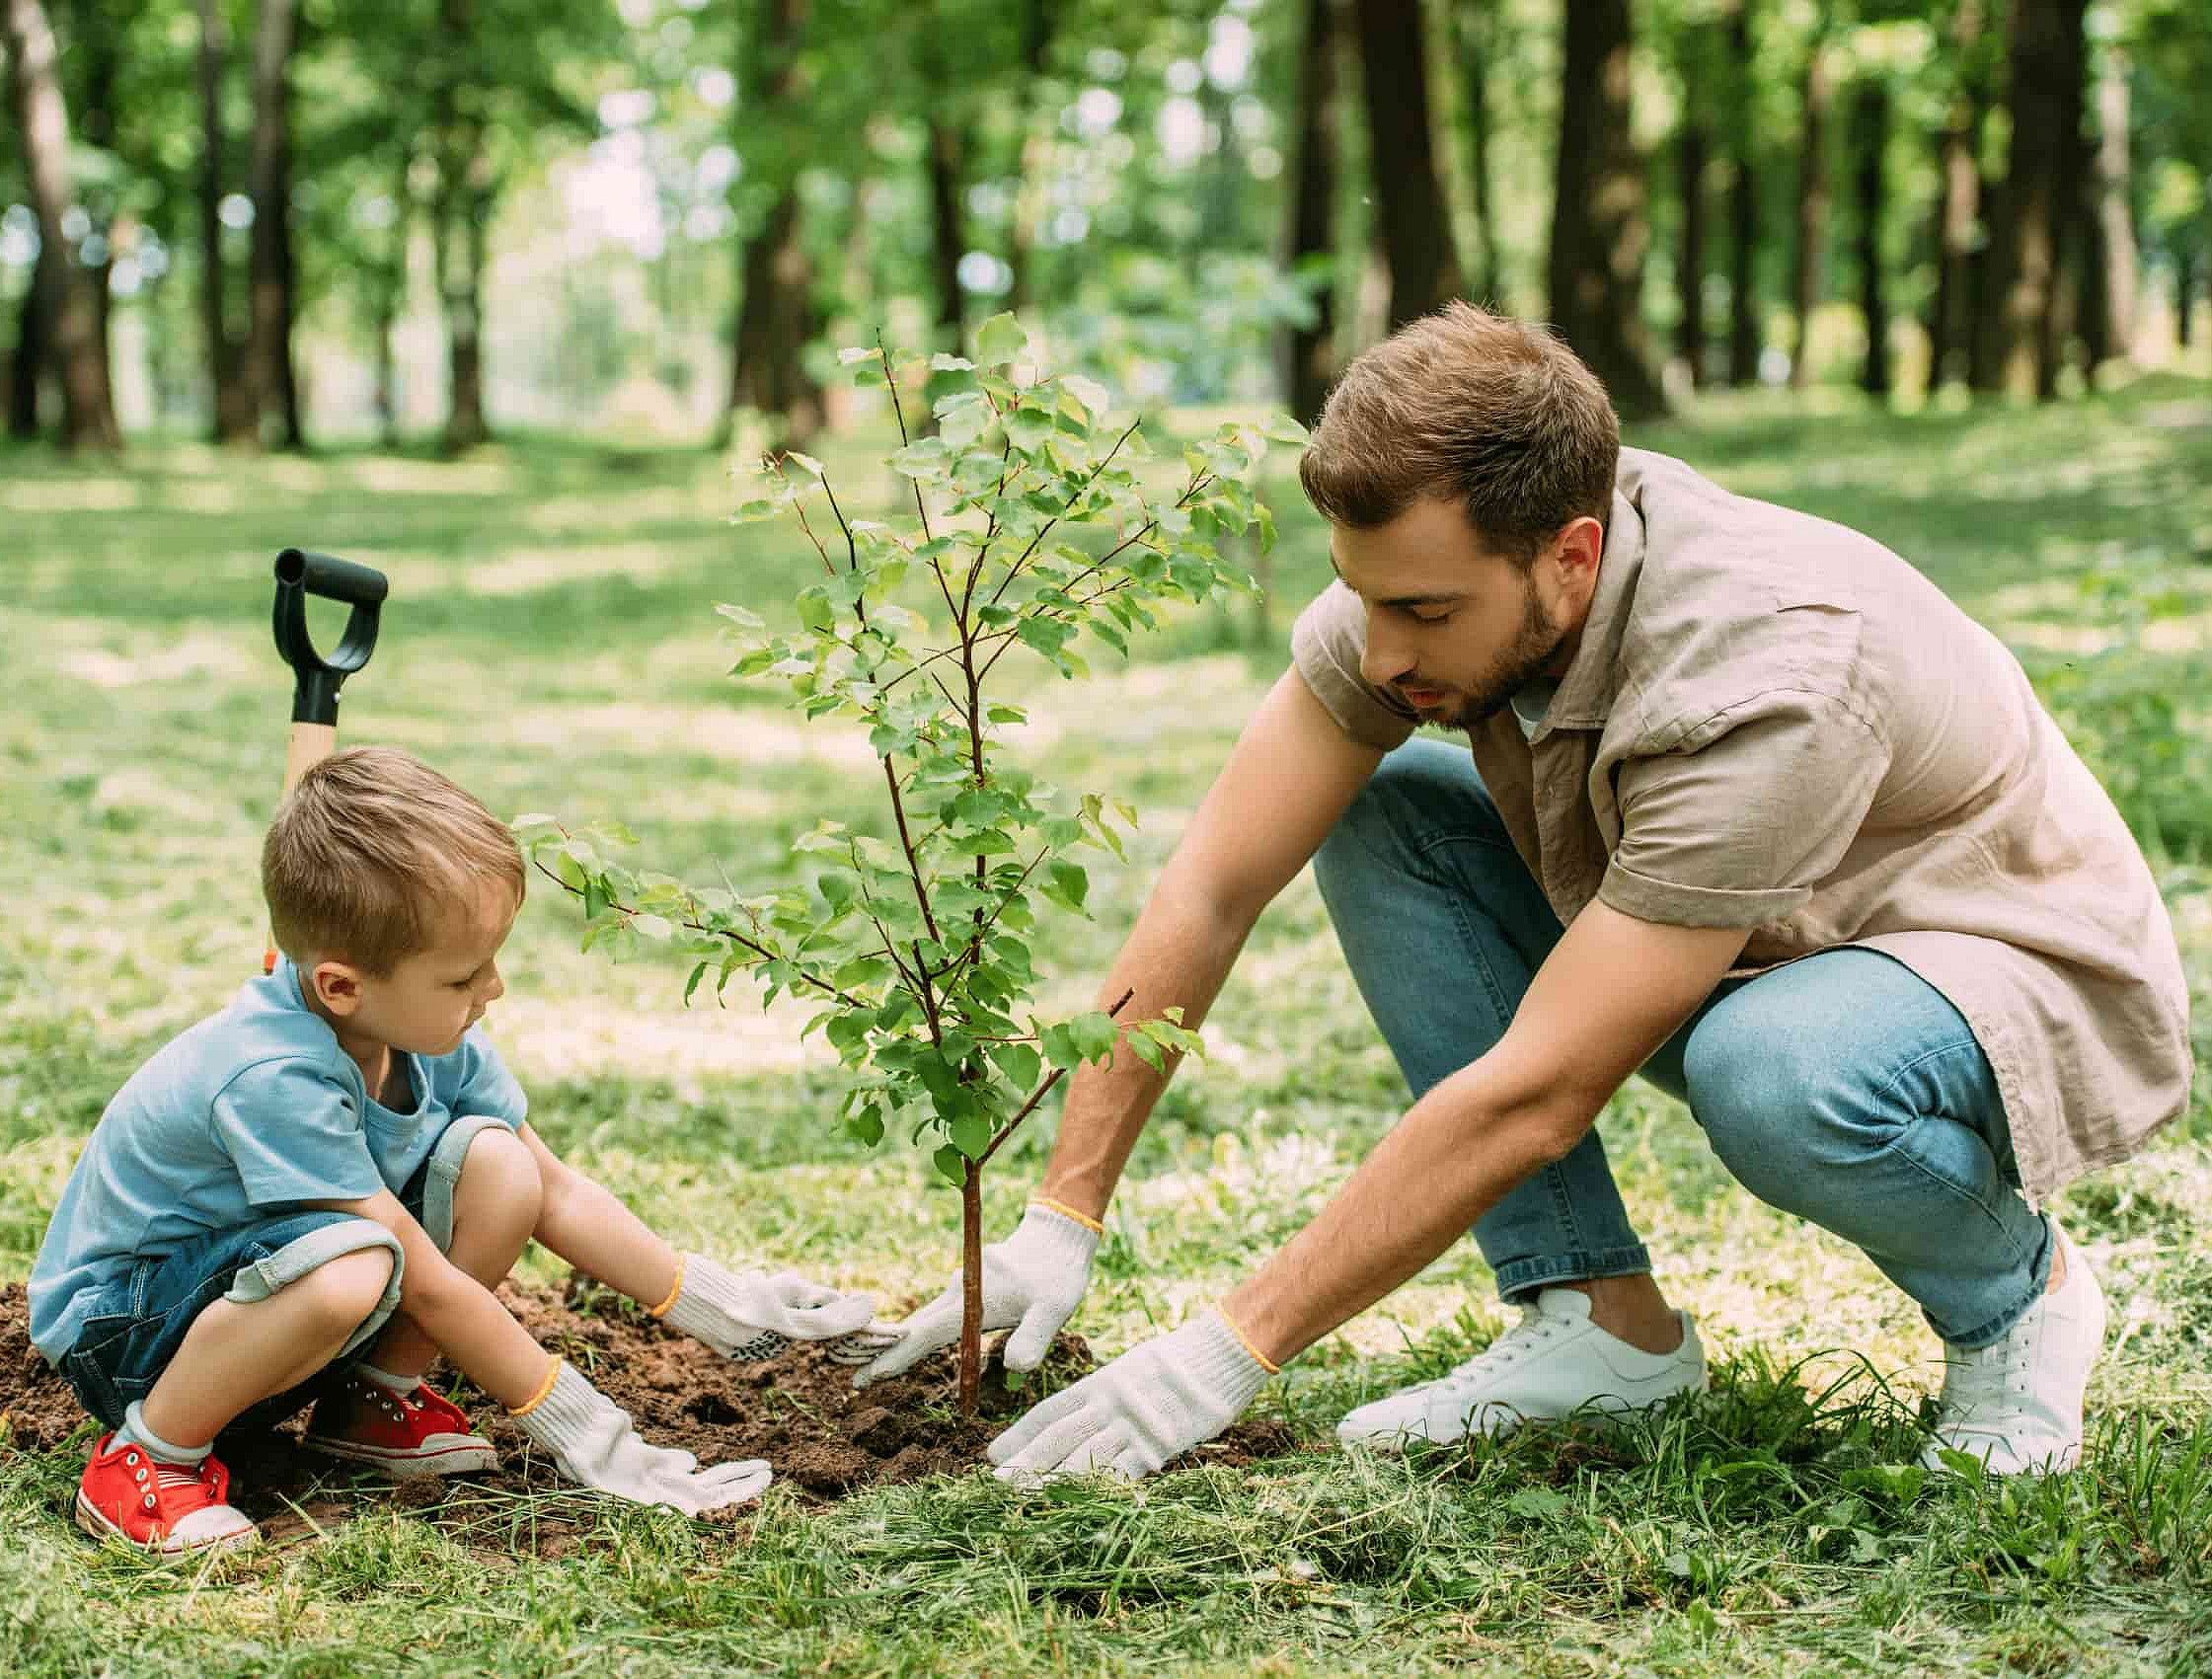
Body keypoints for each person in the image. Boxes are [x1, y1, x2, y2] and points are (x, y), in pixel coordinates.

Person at [855, 303, 2192, 1487]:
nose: (1382, 653)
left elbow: (1542, 1087)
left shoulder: (1764, 674)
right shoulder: (1417, 591)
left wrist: (1225, 1348)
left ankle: (2016, 1302)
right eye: (1358, 598)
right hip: (1748, 928)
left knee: (1768, 1069)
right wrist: (1059, 1213)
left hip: (1985, 963)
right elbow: (1211, 882)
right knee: (1386, 819)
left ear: (1568, 554)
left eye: (1425, 615)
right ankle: (1599, 1328)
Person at [29, 746, 875, 1556]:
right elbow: (424, 1283)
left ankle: (369, 1404)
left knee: (500, 1166)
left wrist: (717, 1305)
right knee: (361, 1259)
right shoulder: (273, 1074)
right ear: (341, 986)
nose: (492, 989)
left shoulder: (419, 1030)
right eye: (464, 975)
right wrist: (588, 1428)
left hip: (254, 1305)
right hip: (129, 1335)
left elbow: (555, 1189)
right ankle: (147, 1460)